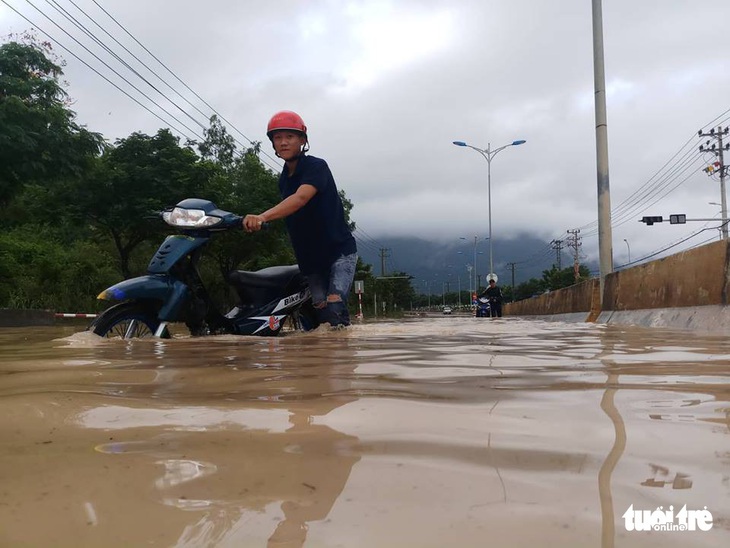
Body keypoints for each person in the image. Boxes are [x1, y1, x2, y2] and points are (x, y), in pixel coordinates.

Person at [243, 110, 357, 327]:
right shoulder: (283, 180)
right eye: (278, 138)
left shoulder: (316, 167)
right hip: (310, 260)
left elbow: (300, 198)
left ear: (303, 140)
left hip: (338, 252)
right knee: (318, 314)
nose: (283, 142)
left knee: (334, 305)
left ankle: (343, 356)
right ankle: (326, 356)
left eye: (290, 137)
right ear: (273, 144)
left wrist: (262, 216)